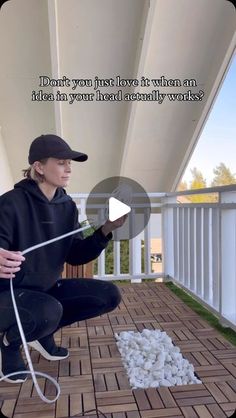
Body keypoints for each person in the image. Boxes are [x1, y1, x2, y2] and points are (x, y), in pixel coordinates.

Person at [0, 134, 125, 384]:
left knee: (109, 295)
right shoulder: (10, 203)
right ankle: (9, 343)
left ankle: (42, 332)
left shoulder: (67, 206)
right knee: (47, 310)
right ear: (39, 167)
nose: (68, 168)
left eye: (70, 163)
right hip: (9, 295)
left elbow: (75, 255)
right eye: (60, 162)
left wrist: (105, 231)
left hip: (47, 292)